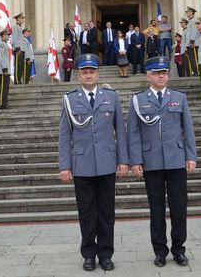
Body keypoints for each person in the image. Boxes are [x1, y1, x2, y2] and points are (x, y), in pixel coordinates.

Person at [58, 53, 129, 271]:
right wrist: (65, 165)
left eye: (92, 71)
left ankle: (106, 254)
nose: (88, 75)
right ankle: (89, 254)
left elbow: (121, 131)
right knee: (86, 213)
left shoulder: (111, 97)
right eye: (84, 72)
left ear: (98, 74)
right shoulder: (70, 99)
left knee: (107, 213)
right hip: (82, 165)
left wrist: (123, 160)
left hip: (107, 162)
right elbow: (64, 134)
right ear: (79, 75)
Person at [127, 56, 197, 268]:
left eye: (164, 73)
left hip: (176, 161)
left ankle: (179, 249)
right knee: (156, 209)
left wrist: (191, 156)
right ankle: (159, 250)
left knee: (179, 208)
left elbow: (188, 129)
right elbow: (133, 133)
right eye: (157, 73)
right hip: (151, 162)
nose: (161, 76)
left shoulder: (179, 98)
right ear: (149, 76)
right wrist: (135, 160)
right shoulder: (138, 100)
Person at [0, 29, 11, 109]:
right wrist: (4, 69)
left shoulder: (4, 44)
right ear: (3, 36)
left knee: (6, 87)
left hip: (6, 69)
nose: (8, 36)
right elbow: (1, 58)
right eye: (6, 35)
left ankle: (4, 102)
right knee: (3, 87)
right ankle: (1, 103)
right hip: (3, 70)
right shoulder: (1, 45)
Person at [184, 7, 199, 76]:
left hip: (193, 43)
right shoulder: (190, 21)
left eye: (187, 12)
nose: (186, 13)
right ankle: (195, 71)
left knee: (195, 58)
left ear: (191, 12)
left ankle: (197, 71)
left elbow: (194, 31)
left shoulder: (194, 20)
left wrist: (192, 41)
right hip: (189, 43)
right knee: (192, 59)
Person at [12, 13, 26, 84]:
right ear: (17, 19)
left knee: (20, 65)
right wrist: (17, 48)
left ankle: (19, 79)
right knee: (17, 65)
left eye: (23, 18)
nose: (22, 19)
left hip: (22, 49)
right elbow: (14, 38)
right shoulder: (15, 27)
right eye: (21, 18)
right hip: (18, 49)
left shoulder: (19, 27)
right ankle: (17, 80)